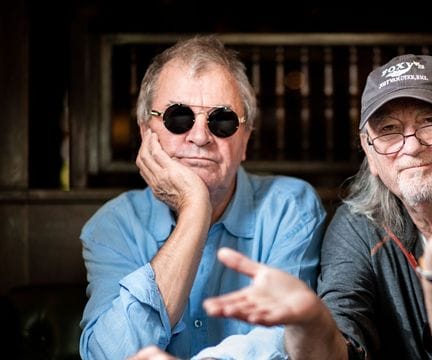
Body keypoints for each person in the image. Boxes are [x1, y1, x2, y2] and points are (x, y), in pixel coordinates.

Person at [132, 54, 432, 360]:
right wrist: (307, 323)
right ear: (369, 150)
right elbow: (339, 348)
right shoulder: (359, 223)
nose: (411, 145)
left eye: (431, 122)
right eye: (388, 129)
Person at [78, 34, 326, 360]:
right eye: (177, 117)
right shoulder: (112, 226)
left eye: (221, 121)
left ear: (246, 139)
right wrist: (195, 210)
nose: (199, 137)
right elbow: (108, 354)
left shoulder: (290, 208)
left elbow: (287, 339)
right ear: (145, 133)